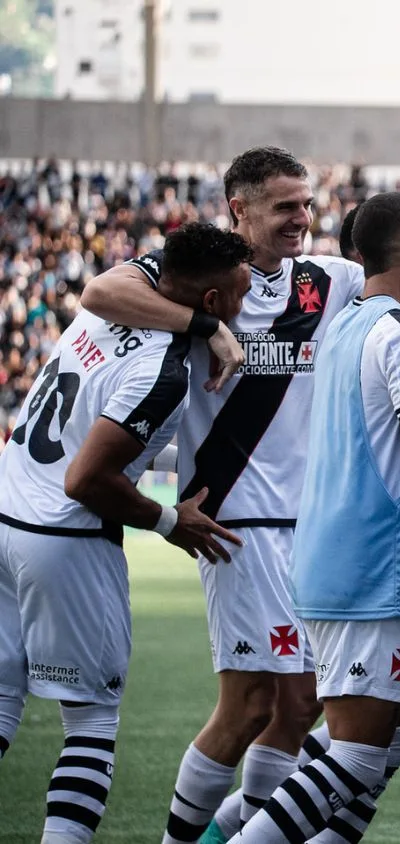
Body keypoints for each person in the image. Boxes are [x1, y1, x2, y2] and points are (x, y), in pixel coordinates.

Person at [80, 146, 368, 843]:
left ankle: (236, 836)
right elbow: (98, 293)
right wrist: (206, 326)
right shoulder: (200, 284)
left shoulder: (328, 281)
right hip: (234, 519)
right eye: (285, 207)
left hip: (309, 525)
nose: (303, 218)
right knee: (248, 706)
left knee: (300, 707)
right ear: (239, 209)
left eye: (306, 204)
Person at [0, 222, 251, 842]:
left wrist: (205, 328)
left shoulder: (130, 286)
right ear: (213, 301)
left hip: (5, 506)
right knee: (90, 724)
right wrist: (170, 520)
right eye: (241, 293)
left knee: (3, 704)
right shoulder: (166, 373)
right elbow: (86, 479)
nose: (246, 305)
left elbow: (99, 291)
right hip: (64, 538)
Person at [229, 192, 400, 842]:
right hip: (365, 570)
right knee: (356, 754)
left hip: (327, 560)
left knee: (387, 745)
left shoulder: (346, 326)